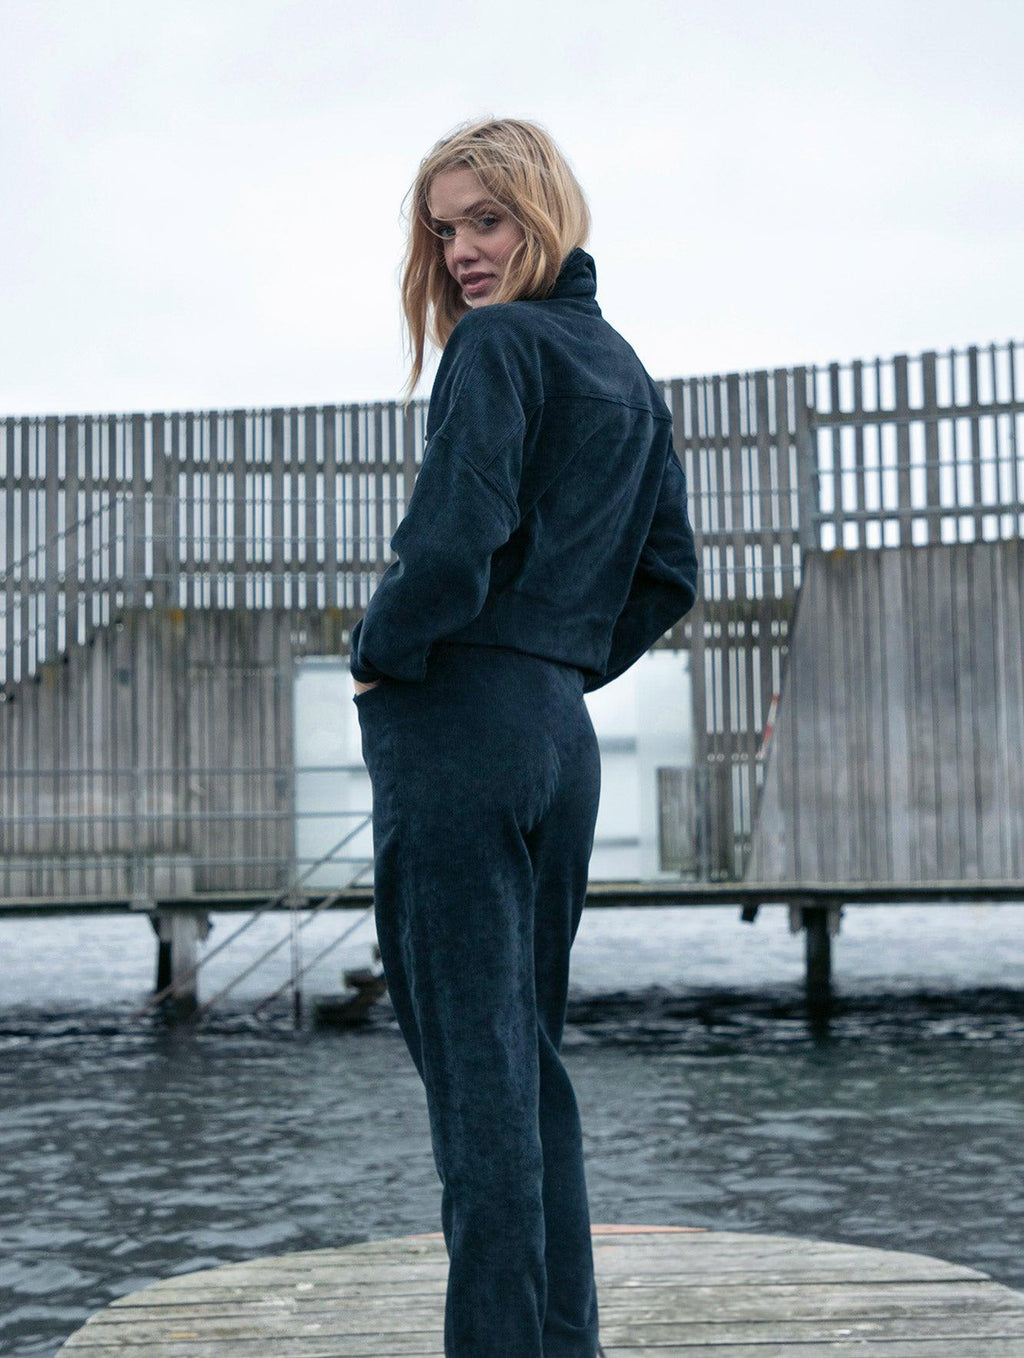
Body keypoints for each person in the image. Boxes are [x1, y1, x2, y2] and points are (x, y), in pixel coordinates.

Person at [348, 115, 699, 1358]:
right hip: (557, 732)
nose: (460, 252)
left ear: (542, 211)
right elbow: (669, 574)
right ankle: (560, 1342)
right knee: (525, 1059)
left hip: (460, 722)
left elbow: (452, 538)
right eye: (444, 229)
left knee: (476, 1080)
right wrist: (555, 665)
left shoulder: (494, 347)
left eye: (485, 220)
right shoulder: (625, 368)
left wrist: (380, 652)